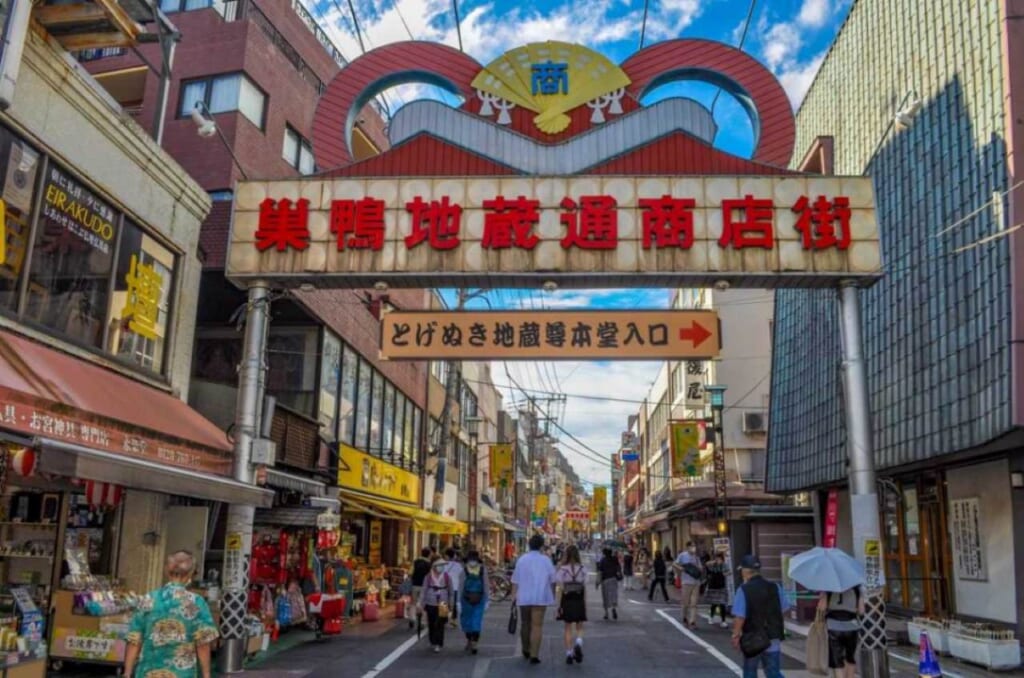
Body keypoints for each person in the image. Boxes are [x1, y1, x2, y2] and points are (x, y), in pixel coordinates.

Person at [124, 550, 218, 678]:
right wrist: (207, 675)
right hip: (183, 673)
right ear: (190, 573)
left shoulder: (148, 599)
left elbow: (134, 640)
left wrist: (127, 673)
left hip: (148, 672)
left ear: (166, 570)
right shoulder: (196, 603)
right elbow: (203, 643)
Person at [731, 554, 790, 678]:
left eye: (741, 570)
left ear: (746, 571)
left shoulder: (743, 589)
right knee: (773, 672)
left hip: (752, 638)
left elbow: (740, 617)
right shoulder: (775, 587)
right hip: (773, 637)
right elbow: (784, 608)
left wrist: (736, 635)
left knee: (750, 672)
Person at [511, 534, 557, 664]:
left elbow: (515, 580)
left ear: (529, 545)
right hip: (540, 596)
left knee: (525, 623)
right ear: (542, 546)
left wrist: (513, 596)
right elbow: (553, 580)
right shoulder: (546, 560)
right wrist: (552, 594)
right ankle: (534, 655)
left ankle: (525, 649)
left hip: (524, 596)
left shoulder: (522, 559)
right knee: (537, 625)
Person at [818, 586, 864, 678]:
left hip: (833, 627)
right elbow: (861, 611)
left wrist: (822, 598)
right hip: (852, 627)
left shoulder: (829, 587)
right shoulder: (857, 588)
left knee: (837, 660)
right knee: (850, 658)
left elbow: (822, 608)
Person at [555, 545, 587, 665]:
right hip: (579, 598)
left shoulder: (563, 569)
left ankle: (569, 654)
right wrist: (585, 603)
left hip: (567, 599)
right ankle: (578, 643)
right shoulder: (583, 569)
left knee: (567, 627)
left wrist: (558, 605)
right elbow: (584, 587)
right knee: (579, 626)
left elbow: (560, 588)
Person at [418, 556, 455, 653]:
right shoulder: (428, 577)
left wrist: (451, 604)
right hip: (430, 602)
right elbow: (423, 591)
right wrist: (420, 604)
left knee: (440, 624)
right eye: (439, 565)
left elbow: (451, 591)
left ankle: (439, 643)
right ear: (434, 566)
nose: (441, 567)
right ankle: (432, 640)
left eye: (442, 565)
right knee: (431, 623)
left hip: (443, 602)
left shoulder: (447, 576)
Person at [460, 550, 489, 654]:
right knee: (467, 622)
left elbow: (486, 585)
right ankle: (470, 640)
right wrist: (458, 602)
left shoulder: (482, 570)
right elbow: (460, 587)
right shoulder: (464, 571)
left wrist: (487, 600)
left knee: (475, 621)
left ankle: (474, 643)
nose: (472, 562)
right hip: (467, 600)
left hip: (478, 599)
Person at [673, 541, 703, 630]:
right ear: (688, 547)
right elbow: (675, 564)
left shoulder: (697, 557)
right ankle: (684, 617)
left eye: (694, 546)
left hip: (696, 582)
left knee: (694, 603)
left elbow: (701, 568)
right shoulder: (682, 555)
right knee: (685, 603)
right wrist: (681, 568)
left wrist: (699, 569)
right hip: (686, 582)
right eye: (692, 546)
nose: (694, 548)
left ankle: (692, 621)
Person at [408, 547, 432, 629]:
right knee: (423, 604)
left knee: (413, 603)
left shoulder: (415, 562)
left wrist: (413, 579)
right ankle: (422, 622)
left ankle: (412, 618)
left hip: (415, 585)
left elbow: (410, 573)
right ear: (429, 554)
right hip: (425, 587)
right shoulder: (429, 564)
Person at [705, 553, 730, 628]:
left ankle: (723, 621)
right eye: (717, 558)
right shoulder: (713, 565)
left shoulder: (724, 565)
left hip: (721, 587)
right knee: (714, 604)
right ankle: (711, 617)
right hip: (713, 587)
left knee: (722, 604)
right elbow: (706, 564)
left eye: (719, 559)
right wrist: (713, 562)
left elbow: (729, 572)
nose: (718, 560)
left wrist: (724, 574)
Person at [596, 547, 622, 620]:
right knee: (614, 595)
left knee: (605, 597)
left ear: (604, 553)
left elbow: (600, 572)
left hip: (605, 580)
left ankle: (606, 613)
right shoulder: (614, 559)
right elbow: (618, 567)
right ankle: (613, 608)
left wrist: (597, 582)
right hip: (613, 579)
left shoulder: (602, 560)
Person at [443, 548, 465, 630]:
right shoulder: (458, 565)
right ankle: (454, 619)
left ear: (447, 556)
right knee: (454, 604)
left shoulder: (443, 564)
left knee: (443, 602)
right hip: (455, 587)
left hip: (444, 587)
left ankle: (444, 620)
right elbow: (462, 576)